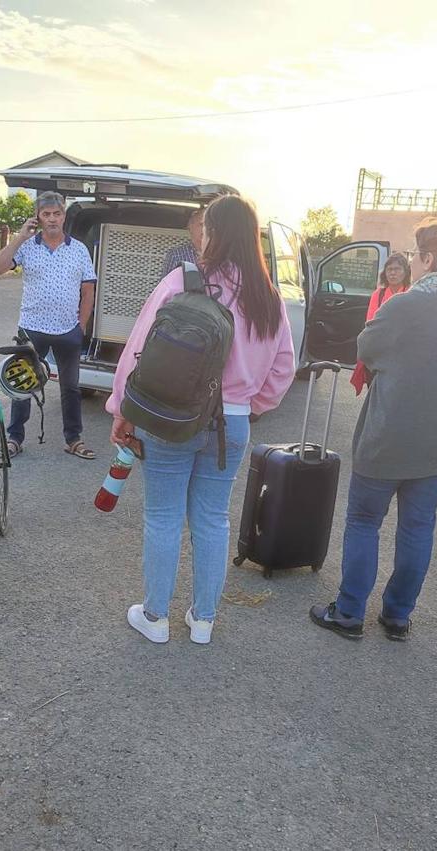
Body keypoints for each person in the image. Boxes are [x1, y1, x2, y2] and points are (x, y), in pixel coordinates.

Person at [109, 194, 295, 645]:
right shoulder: (268, 296)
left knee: (163, 516)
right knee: (213, 518)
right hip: (232, 423)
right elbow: (284, 366)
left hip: (172, 418)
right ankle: (204, 619)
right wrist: (249, 405)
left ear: (211, 232)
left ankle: (154, 616)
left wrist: (122, 409)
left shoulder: (183, 281)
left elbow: (140, 349)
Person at [310, 218, 437, 642]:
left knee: (365, 520)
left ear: (428, 258)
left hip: (389, 434)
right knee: (418, 525)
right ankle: (398, 615)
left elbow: (367, 349)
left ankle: (349, 612)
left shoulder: (403, 305)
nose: (411, 261)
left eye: (414, 254)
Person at [0, 191, 98, 460]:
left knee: (71, 388)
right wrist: (20, 237)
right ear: (38, 216)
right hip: (32, 328)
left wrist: (80, 326)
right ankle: (15, 438)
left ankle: (73, 439)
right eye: (46, 214)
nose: (52, 219)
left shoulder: (79, 249)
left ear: (64, 216)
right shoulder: (27, 246)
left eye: (57, 214)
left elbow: (88, 291)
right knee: (23, 383)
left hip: (67, 330)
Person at [350, 253, 411, 395]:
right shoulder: (379, 294)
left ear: (406, 272)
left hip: (402, 356)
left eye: (397, 269)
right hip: (378, 356)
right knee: (374, 395)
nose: (393, 273)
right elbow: (370, 323)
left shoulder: (411, 294)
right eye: (389, 269)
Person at [161, 206, 204, 276]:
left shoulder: (221, 255)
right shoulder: (176, 256)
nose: (205, 229)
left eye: (210, 225)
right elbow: (166, 285)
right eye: (201, 224)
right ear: (190, 227)